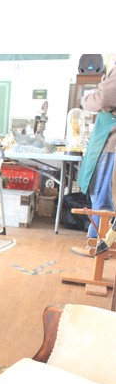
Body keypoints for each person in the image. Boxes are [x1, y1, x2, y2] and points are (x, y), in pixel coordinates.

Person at [71, 57, 116, 257]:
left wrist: (86, 98)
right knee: (103, 195)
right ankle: (99, 243)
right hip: (109, 142)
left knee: (101, 196)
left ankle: (96, 245)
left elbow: (103, 98)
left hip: (110, 142)